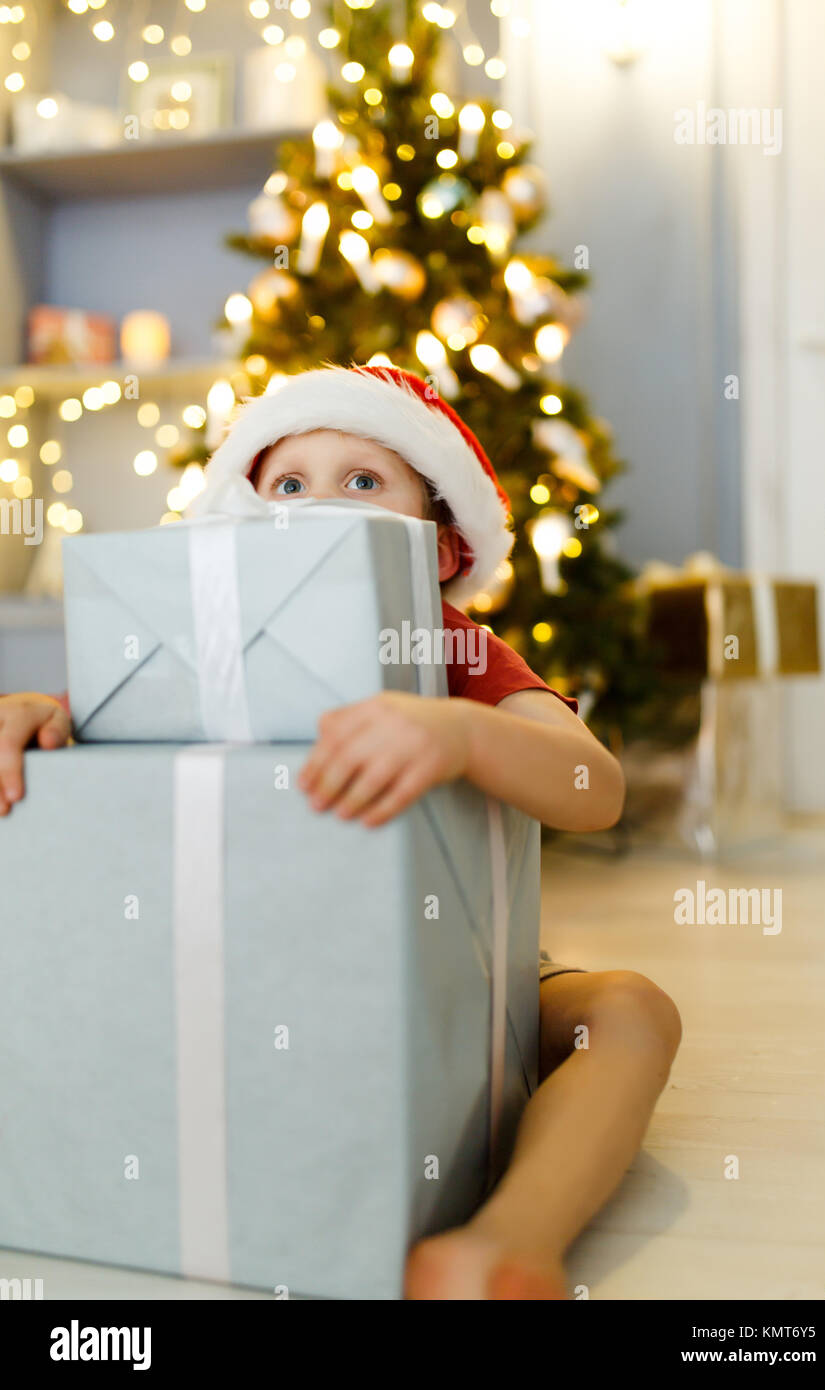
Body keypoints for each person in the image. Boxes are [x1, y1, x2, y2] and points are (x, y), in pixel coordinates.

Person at [0, 365, 681, 1300]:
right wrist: (39, 710)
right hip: (234, 968)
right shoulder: (206, 640)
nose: (319, 506)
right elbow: (102, 726)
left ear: (440, 547)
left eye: (363, 481)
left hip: (461, 968)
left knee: (631, 1011)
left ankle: (505, 1241)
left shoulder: (452, 645)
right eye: (289, 484)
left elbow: (592, 788)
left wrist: (467, 730)